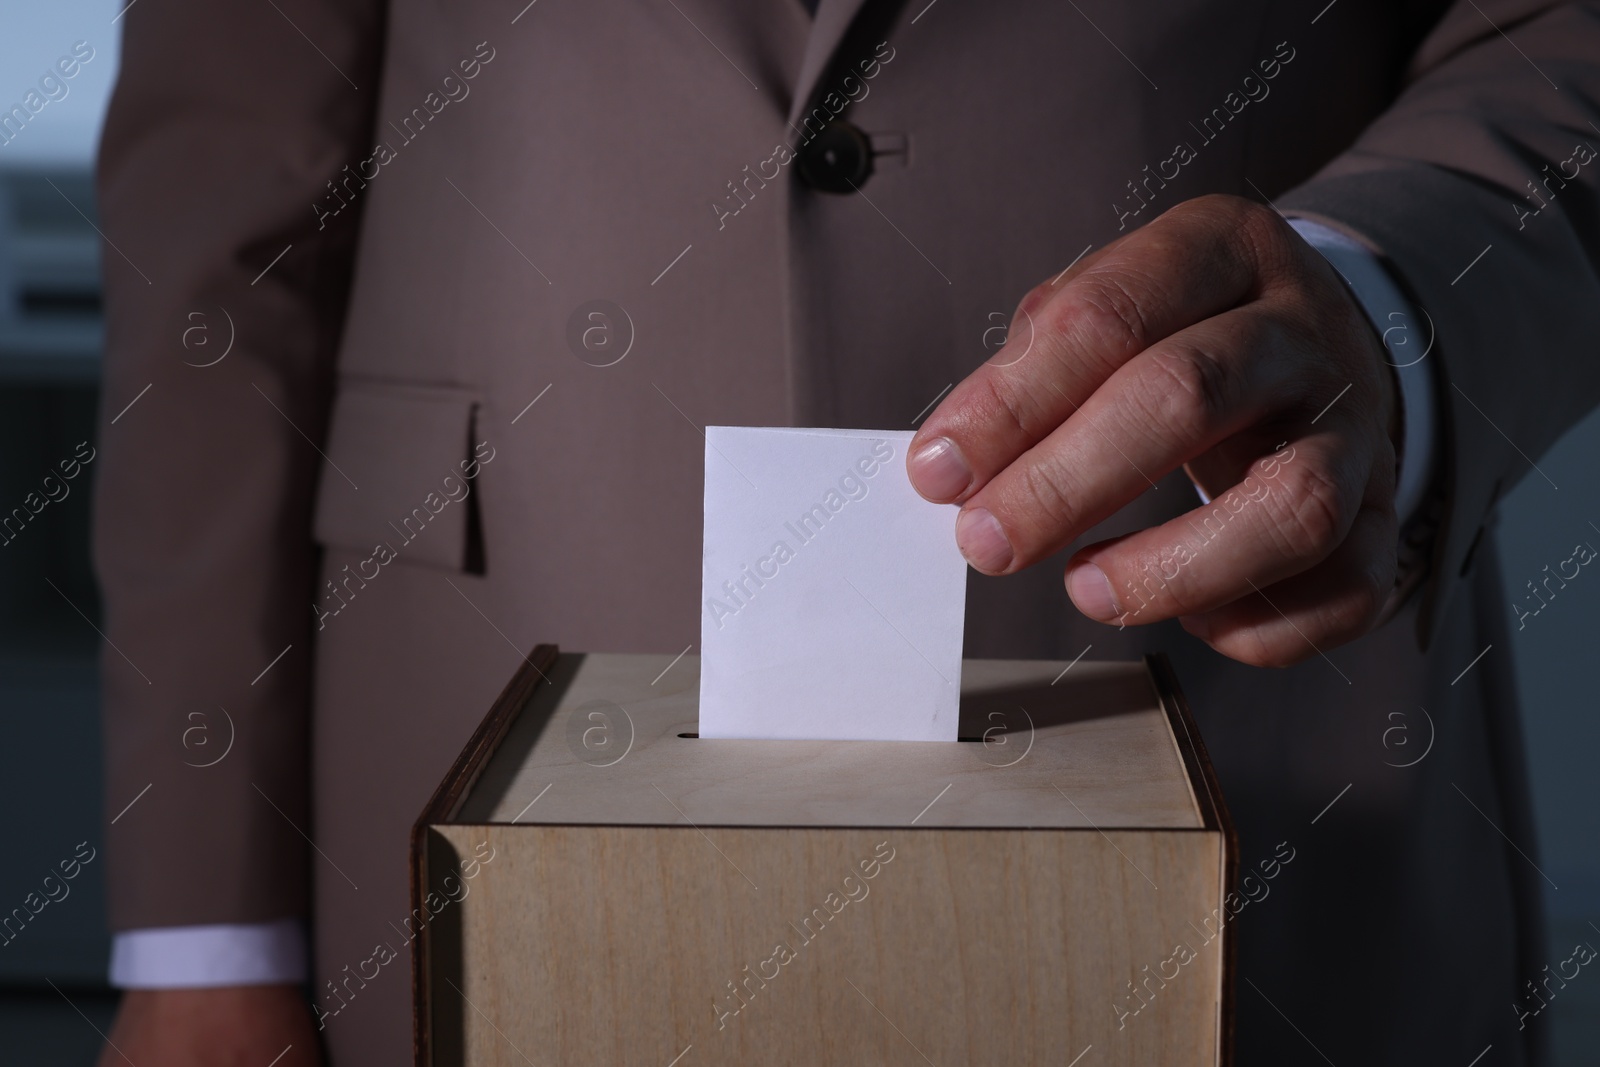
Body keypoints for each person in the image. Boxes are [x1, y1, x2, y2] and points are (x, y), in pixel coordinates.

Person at [91, 0, 1599, 1063]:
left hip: (1257, 738)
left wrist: (1386, 303)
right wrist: (203, 937)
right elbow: (222, 208)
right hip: (468, 739)